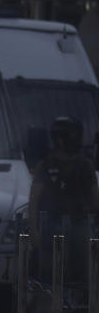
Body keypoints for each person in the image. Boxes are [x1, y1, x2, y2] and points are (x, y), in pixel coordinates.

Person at [28, 116, 99, 291]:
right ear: (60, 138)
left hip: (79, 226)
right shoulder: (46, 165)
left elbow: (94, 199)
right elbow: (34, 199)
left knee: (82, 279)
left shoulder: (85, 165)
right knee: (50, 279)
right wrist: (34, 230)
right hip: (52, 227)